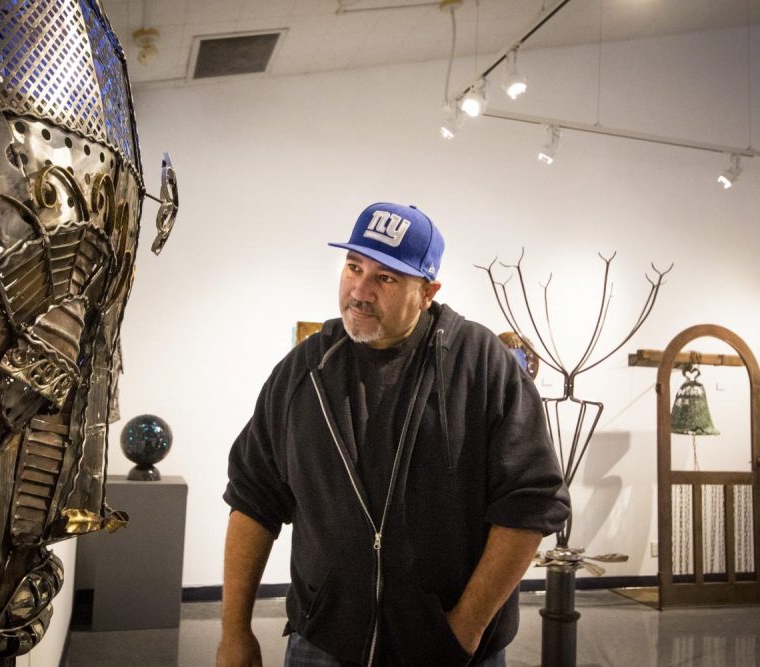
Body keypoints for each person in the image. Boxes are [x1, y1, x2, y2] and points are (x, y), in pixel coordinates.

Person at [219, 202, 571, 666]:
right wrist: (234, 631)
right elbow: (253, 499)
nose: (359, 291)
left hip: (448, 651)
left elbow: (530, 504)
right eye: (353, 267)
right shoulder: (304, 371)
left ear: (427, 291)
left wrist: (463, 631)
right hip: (324, 643)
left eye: (385, 278)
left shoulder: (481, 365)